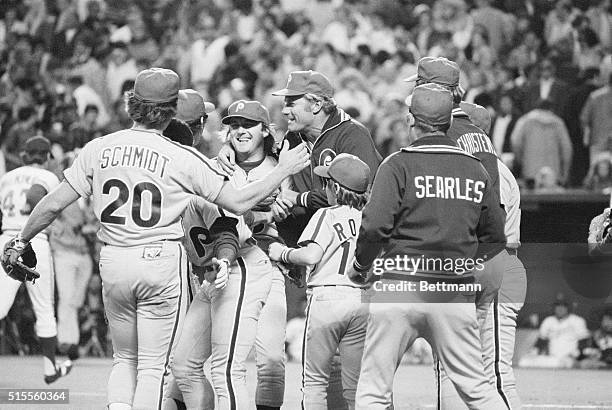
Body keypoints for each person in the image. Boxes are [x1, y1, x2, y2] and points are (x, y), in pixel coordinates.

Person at [4, 67, 309, 410]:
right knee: (153, 368)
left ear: (131, 103)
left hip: (114, 258)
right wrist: (283, 170)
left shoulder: (100, 146)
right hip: (160, 261)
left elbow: (54, 203)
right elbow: (237, 204)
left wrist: (19, 240)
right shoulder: (184, 157)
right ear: (169, 111)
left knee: (124, 360)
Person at [348, 83, 507, 410]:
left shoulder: (397, 163)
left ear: (411, 121)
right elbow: (495, 235)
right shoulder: (474, 167)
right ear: (450, 122)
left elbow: (375, 225)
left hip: (399, 287)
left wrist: (362, 266)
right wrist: (467, 269)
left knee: (373, 392)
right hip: (452, 290)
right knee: (478, 389)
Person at [406, 56, 527, 409]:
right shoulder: (482, 145)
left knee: (484, 376)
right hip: (490, 261)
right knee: (481, 375)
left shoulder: (451, 138)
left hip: (479, 260)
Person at [268, 153, 371, 410]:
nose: (324, 188)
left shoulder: (327, 214)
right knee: (355, 382)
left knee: (314, 381)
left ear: (336, 188)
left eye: (327, 184)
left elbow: (311, 254)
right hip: (361, 299)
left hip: (327, 298)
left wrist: (282, 252)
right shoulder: (370, 218)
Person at [0, 136, 72, 384]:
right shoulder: (47, 176)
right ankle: (51, 368)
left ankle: (52, 369)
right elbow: (34, 196)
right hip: (32, 242)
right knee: (44, 308)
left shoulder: (7, 177)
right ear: (48, 157)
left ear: (24, 155)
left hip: (6, 240)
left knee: (0, 306)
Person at [519, 298, 590, 369]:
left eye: (563, 306)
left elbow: (583, 344)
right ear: (554, 308)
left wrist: (575, 355)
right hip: (553, 358)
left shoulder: (577, 320)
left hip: (570, 358)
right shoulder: (548, 321)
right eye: (558, 306)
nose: (560, 308)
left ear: (568, 308)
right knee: (523, 362)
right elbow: (540, 342)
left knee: (564, 363)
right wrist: (533, 353)